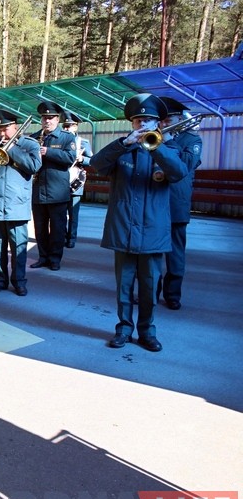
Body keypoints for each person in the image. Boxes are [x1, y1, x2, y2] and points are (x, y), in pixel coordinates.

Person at [92, 93, 187, 352]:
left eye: (148, 120)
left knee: (149, 286)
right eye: (138, 121)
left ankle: (147, 331)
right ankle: (123, 329)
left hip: (153, 231)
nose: (142, 125)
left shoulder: (169, 148)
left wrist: (156, 147)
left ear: (157, 124)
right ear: (132, 124)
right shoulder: (121, 148)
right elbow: (96, 164)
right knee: (124, 286)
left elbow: (178, 172)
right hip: (123, 229)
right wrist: (123, 143)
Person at [0, 110, 42, 296]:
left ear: (15, 126)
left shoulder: (29, 144)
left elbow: (34, 167)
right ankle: (0, 280)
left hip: (17, 205)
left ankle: (19, 281)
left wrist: (13, 149)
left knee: (18, 246)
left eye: (6, 128)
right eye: (0, 129)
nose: (2, 133)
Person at [159, 97, 203, 311]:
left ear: (178, 119)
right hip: (155, 202)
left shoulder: (192, 139)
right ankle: (149, 291)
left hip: (176, 203)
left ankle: (172, 295)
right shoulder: (154, 137)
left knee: (175, 254)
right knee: (151, 253)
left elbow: (185, 165)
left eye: (169, 119)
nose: (165, 123)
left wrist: (168, 141)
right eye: (163, 119)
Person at [29, 101, 76, 271]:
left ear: (57, 119)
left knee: (57, 229)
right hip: (38, 191)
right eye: (44, 118)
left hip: (57, 192)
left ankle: (55, 258)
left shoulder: (66, 137)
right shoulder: (34, 138)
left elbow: (70, 158)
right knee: (40, 229)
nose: (47, 121)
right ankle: (43, 257)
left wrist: (48, 152)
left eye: (50, 118)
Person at [61, 110, 93, 248]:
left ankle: (71, 238)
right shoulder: (59, 140)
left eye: (70, 126)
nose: (67, 129)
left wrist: (82, 159)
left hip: (75, 182)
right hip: (60, 181)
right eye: (65, 126)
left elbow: (92, 160)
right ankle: (61, 236)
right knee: (60, 213)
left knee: (73, 213)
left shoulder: (83, 142)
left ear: (76, 127)